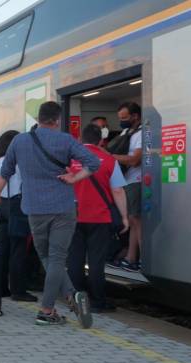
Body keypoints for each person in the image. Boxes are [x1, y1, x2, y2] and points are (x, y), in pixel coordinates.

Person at [0, 101, 100, 327]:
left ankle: (69, 294)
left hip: (34, 209)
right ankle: (47, 310)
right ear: (57, 120)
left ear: (38, 118)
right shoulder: (66, 140)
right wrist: (74, 178)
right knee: (57, 258)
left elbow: (5, 173)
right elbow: (93, 162)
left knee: (47, 257)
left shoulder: (19, 141)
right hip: (63, 208)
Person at [68, 124, 129, 313]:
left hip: (73, 216)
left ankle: (76, 299)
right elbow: (117, 190)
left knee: (74, 260)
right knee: (96, 261)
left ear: (80, 139)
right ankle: (97, 302)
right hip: (100, 217)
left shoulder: (70, 159)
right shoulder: (109, 160)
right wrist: (125, 217)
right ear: (101, 141)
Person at [0, 130, 38, 302]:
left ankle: (1, 287)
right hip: (17, 205)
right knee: (18, 249)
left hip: (3, 205)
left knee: (4, 248)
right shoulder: (18, 162)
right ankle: (18, 290)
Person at [108, 102, 143, 272]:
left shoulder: (142, 133)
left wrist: (110, 156)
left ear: (135, 116)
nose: (121, 121)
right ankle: (131, 257)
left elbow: (136, 159)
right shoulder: (126, 132)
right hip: (127, 181)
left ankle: (141, 258)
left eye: (124, 118)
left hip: (136, 180)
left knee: (136, 219)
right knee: (132, 220)